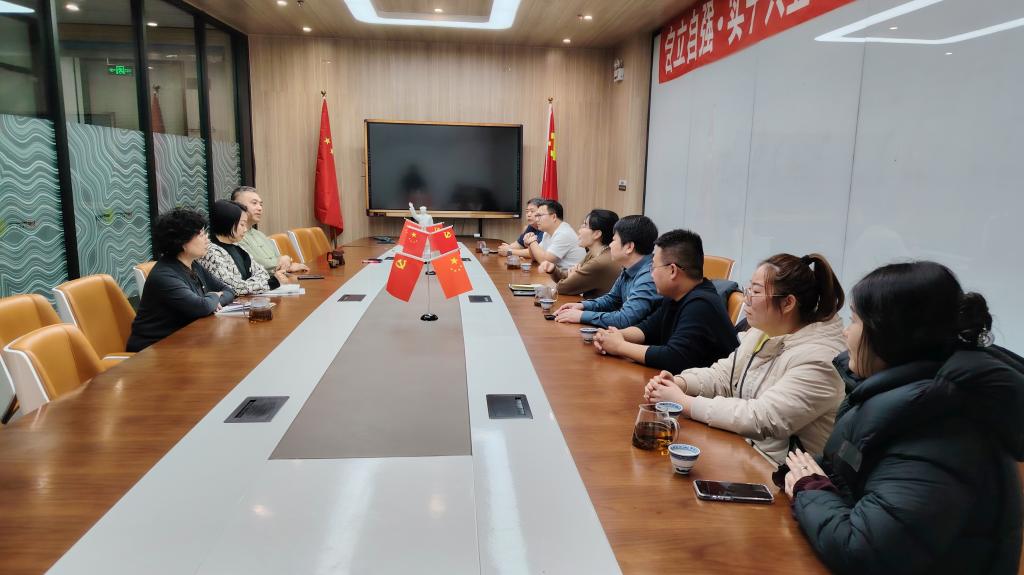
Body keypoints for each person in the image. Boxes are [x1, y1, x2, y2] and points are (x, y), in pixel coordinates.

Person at [782, 262, 1023, 575]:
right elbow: (861, 475)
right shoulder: (905, 399)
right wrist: (806, 475)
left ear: (888, 334)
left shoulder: (944, 427)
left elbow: (864, 552)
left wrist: (811, 489)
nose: (845, 332)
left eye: (854, 320)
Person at [644, 253, 847, 464]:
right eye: (748, 289)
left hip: (781, 474)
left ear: (788, 303)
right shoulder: (763, 332)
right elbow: (724, 376)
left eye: (756, 292)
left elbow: (762, 417)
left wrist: (684, 402)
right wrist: (681, 383)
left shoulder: (821, 360)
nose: (746, 298)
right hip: (743, 450)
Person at [593, 229, 736, 373]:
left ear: (672, 270)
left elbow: (673, 357)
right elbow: (647, 329)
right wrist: (611, 337)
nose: (651, 274)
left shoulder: (701, 304)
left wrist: (619, 346)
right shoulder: (676, 295)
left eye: (653, 267)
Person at [127, 209, 235, 352]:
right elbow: (201, 307)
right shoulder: (164, 276)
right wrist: (214, 296)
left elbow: (229, 291)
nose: (207, 238)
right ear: (182, 242)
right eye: (201, 234)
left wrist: (212, 302)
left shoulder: (193, 265)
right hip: (153, 350)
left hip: (185, 341)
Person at [553, 215, 661, 328]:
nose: (610, 245)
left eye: (614, 240)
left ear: (629, 247)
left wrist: (582, 316)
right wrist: (582, 306)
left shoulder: (649, 276)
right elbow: (612, 300)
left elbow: (625, 319)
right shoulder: (629, 268)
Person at [199, 200, 295, 295]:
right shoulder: (210, 252)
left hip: (249, 299)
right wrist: (270, 283)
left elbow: (263, 273)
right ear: (227, 223)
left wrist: (249, 284)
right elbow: (232, 287)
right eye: (242, 224)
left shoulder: (238, 247)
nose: (245, 229)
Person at [538, 209, 620, 299]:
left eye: (585, 225)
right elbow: (569, 277)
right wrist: (553, 269)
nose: (580, 229)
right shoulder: (594, 253)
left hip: (596, 307)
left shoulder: (599, 262)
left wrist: (570, 278)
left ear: (597, 234)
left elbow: (562, 288)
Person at [233, 186, 308, 274]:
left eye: (261, 204)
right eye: (254, 203)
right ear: (237, 206)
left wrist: (287, 259)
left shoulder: (260, 234)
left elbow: (279, 258)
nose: (260, 208)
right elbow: (254, 264)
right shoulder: (234, 235)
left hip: (279, 278)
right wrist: (288, 266)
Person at [522, 199, 585, 271]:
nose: (536, 219)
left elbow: (544, 261)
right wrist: (530, 244)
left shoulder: (564, 234)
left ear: (553, 217)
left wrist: (532, 241)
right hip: (557, 275)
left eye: (539, 216)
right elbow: (536, 258)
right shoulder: (547, 232)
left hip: (570, 276)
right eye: (536, 216)